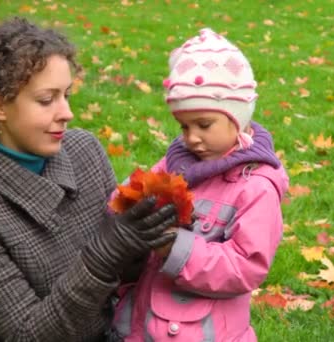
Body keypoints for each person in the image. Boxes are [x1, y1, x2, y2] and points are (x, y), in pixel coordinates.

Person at [0, 17, 179, 341]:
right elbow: (27, 334)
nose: (66, 112)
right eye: (46, 99)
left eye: (66, 94)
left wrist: (149, 236)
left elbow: (126, 278)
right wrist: (106, 252)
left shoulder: (83, 150)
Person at [112, 28, 289, 341]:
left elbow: (246, 266)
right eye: (184, 125)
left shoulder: (255, 185)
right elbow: (133, 193)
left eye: (204, 125)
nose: (191, 137)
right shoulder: (177, 161)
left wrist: (174, 249)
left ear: (238, 117)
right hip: (143, 323)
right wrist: (126, 207)